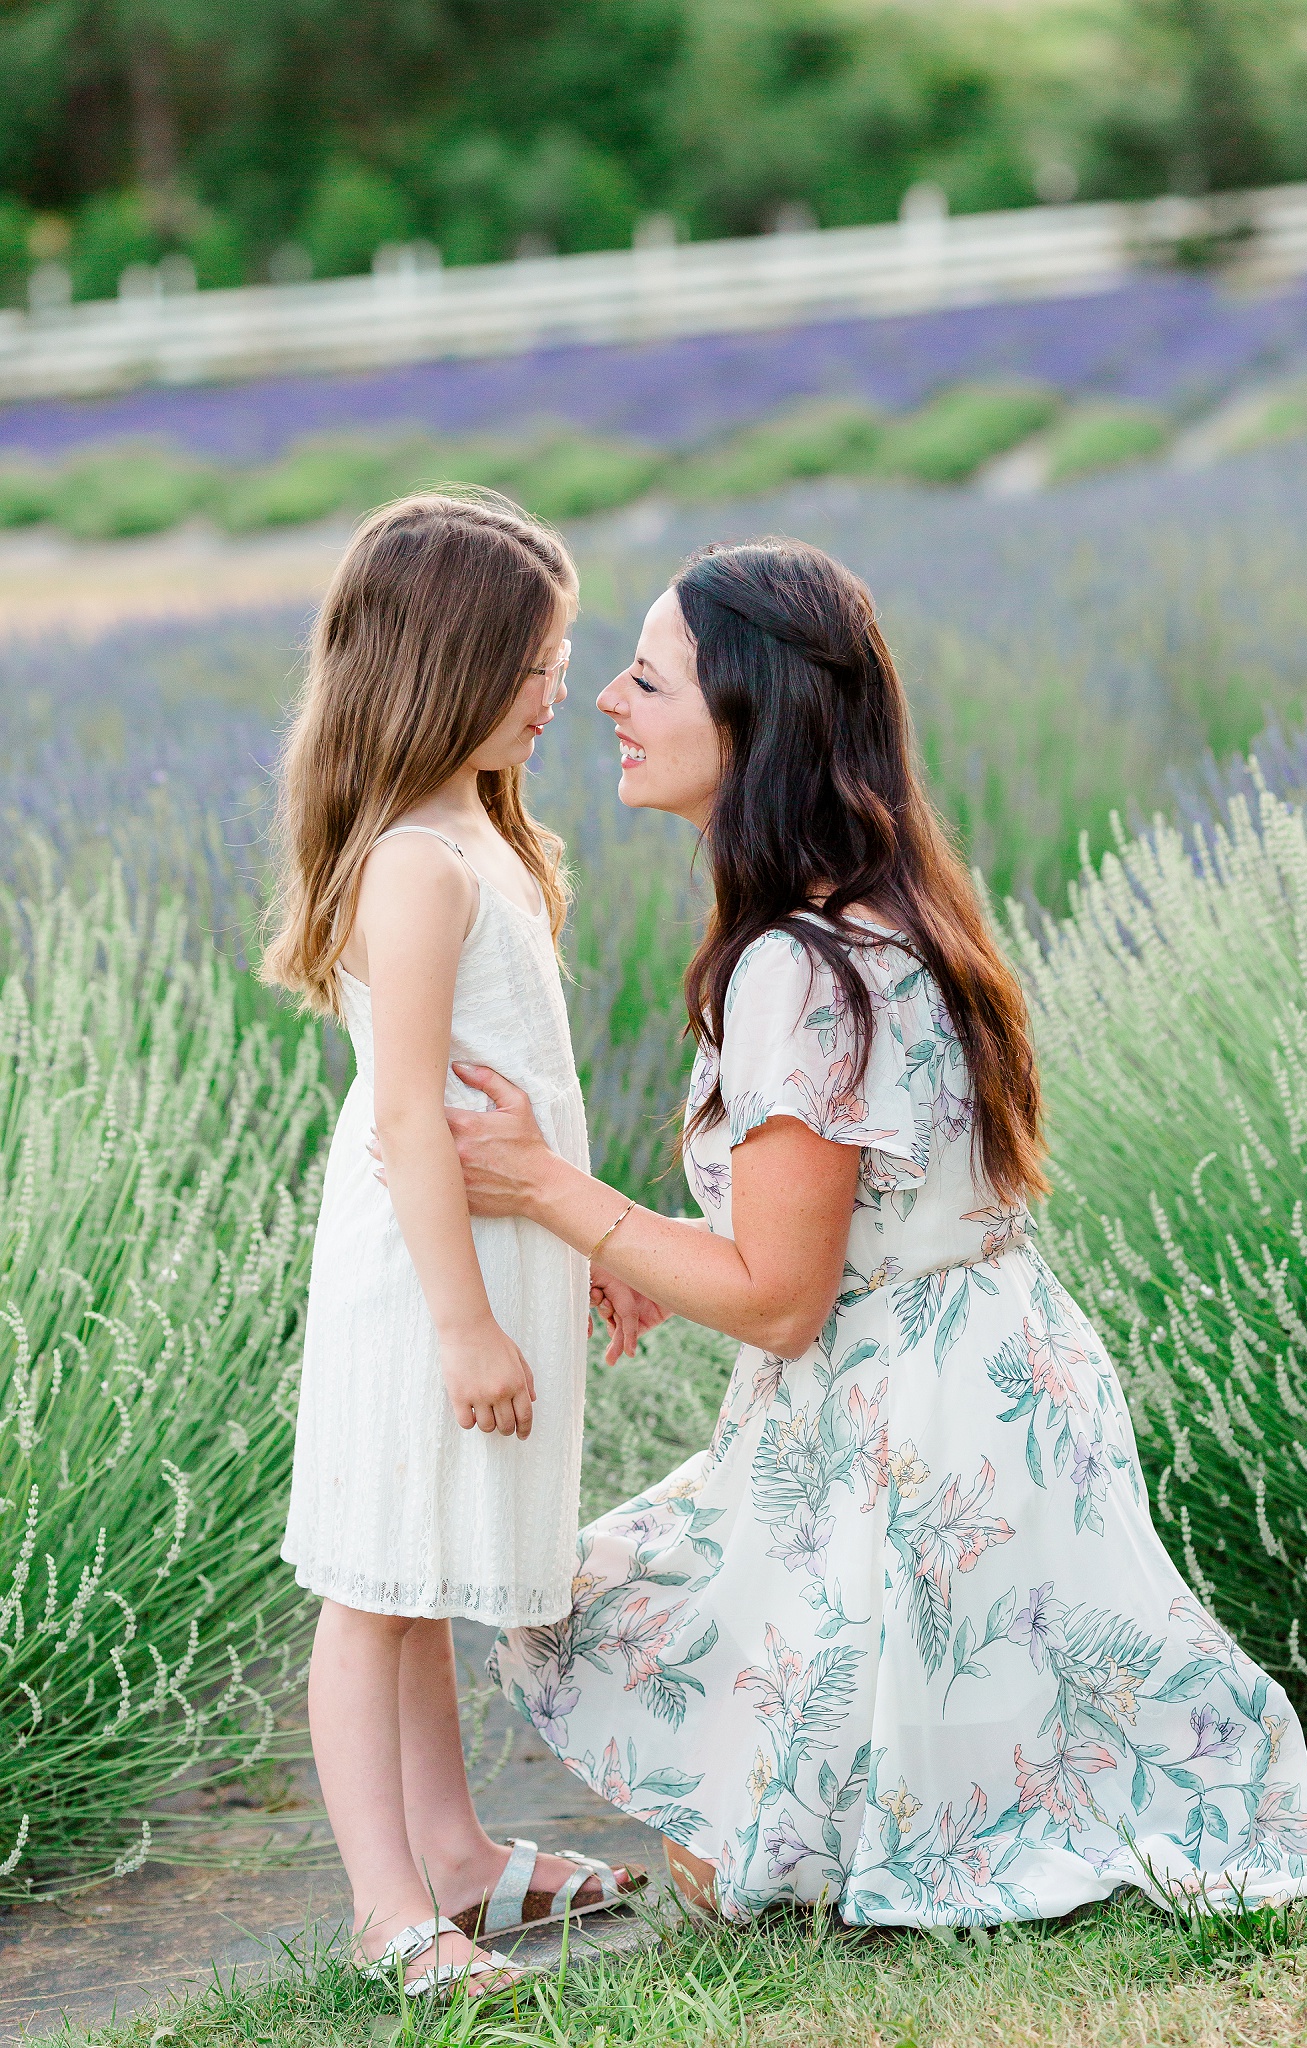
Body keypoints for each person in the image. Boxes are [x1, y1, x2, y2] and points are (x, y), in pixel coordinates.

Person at [439, 537, 1307, 1926]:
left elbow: (775, 1300)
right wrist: (621, 1252)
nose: (608, 705)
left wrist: (542, 1189)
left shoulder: (795, 966)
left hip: (907, 1443)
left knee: (594, 1641)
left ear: (750, 716)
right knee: (680, 1680)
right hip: (989, 1396)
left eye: (646, 678)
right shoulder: (885, 904)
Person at [264, 493, 651, 2001]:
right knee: (371, 1586)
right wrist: (465, 1325)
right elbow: (412, 1122)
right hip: (421, 1277)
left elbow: (522, 1087)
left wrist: (595, 1233)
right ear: (447, 668)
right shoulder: (415, 866)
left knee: (417, 1573)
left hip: (485, 1252)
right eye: (539, 664)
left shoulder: (479, 839)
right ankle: (385, 1908)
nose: (563, 692)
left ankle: (466, 1860)